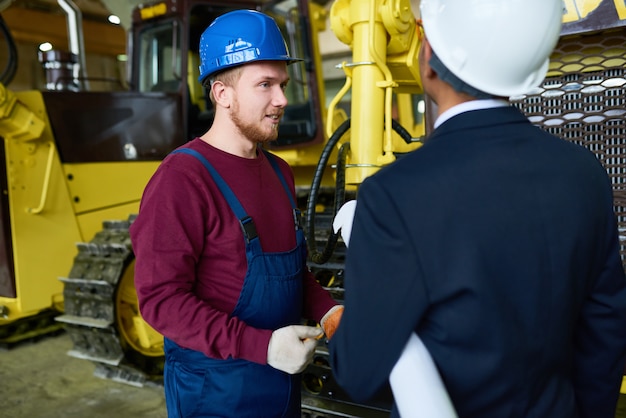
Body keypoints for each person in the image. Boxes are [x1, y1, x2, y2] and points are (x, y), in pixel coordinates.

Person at [329, 0, 626, 417]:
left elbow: (360, 373)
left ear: (429, 58)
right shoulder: (583, 173)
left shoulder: (393, 194)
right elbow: (606, 331)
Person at [130, 9, 342, 417]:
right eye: (264, 85)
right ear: (222, 94)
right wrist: (260, 346)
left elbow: (291, 268)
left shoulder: (279, 171)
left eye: (282, 83)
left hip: (281, 385)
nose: (281, 99)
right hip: (215, 392)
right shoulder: (182, 179)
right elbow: (160, 300)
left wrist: (327, 308)